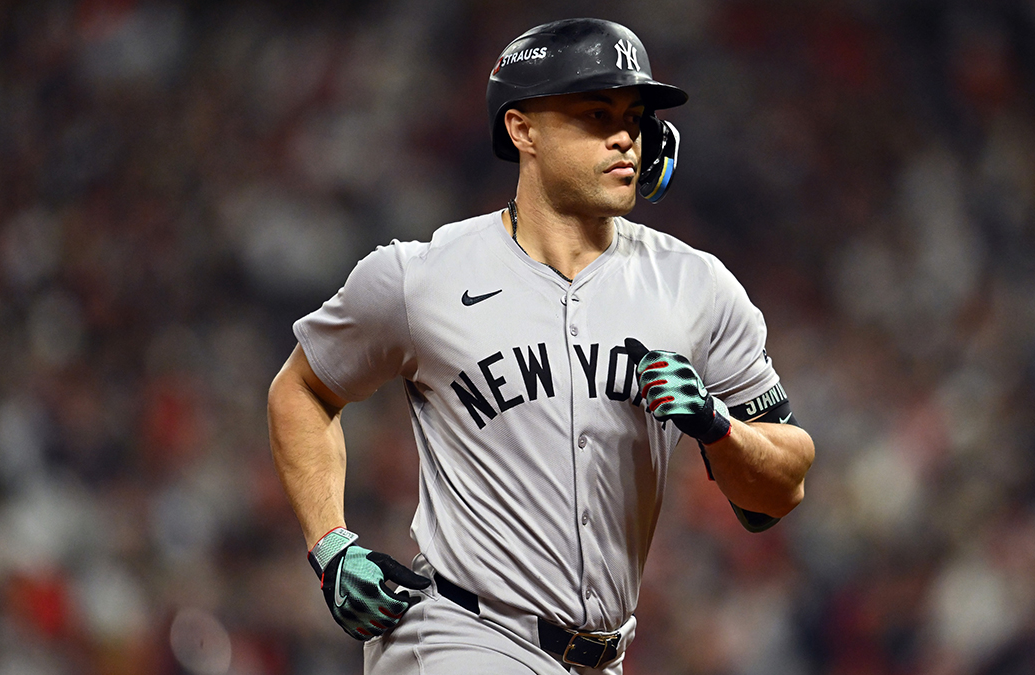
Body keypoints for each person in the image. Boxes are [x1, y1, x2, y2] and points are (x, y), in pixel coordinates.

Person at [267, 17, 814, 675]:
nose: (624, 137)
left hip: (601, 657)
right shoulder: (421, 277)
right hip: (459, 634)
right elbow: (301, 389)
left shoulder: (695, 286)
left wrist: (718, 428)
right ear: (522, 129)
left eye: (635, 118)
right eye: (594, 112)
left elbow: (780, 488)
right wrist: (332, 546)